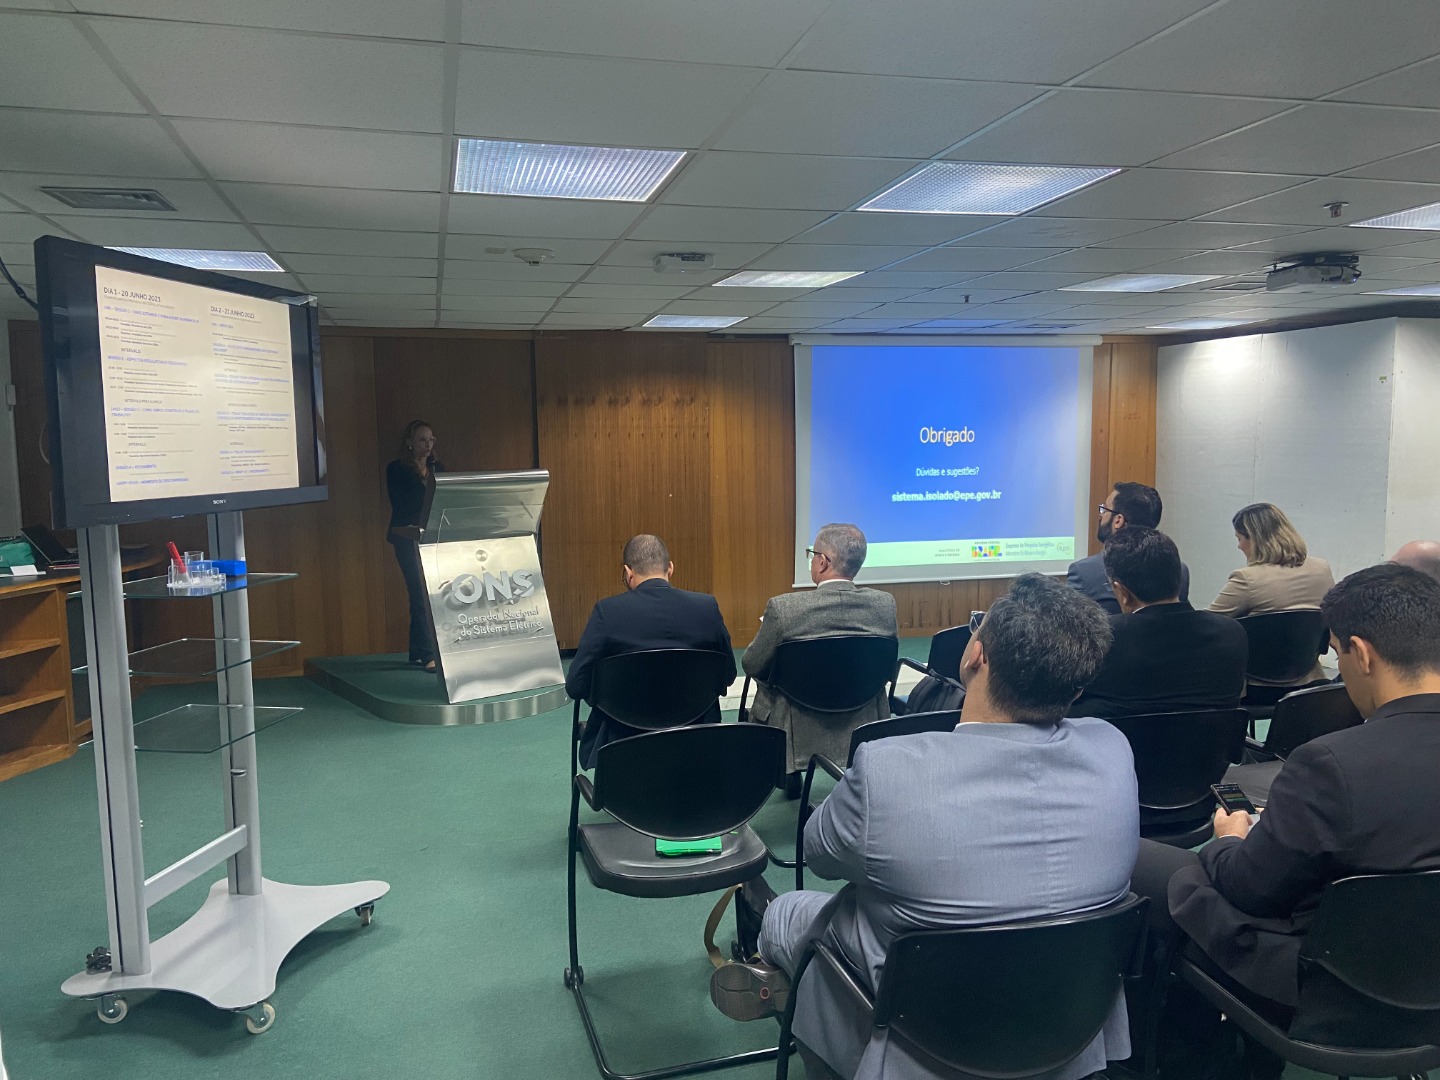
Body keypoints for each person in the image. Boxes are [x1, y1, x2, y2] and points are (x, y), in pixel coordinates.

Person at [712, 574, 1139, 1080]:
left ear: (976, 654)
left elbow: (819, 855)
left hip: (926, 1034)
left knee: (786, 911)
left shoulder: (888, 770)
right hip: (1065, 1023)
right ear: (1078, 684)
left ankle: (801, 1001)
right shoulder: (1112, 751)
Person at [1133, 563, 1440, 1069]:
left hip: (1332, 991)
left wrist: (1230, 839)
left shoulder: (1330, 764)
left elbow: (1250, 891)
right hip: (1425, 975)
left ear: (1361, 653)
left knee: (1154, 866)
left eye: (1336, 652)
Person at [741, 523, 898, 795]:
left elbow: (752, 664)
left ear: (823, 562)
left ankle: (789, 773)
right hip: (862, 706)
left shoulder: (783, 609)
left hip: (798, 718)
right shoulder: (884, 605)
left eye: (812, 555)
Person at [566, 534, 735, 770]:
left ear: (628, 572)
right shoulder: (706, 608)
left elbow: (576, 685)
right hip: (695, 745)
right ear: (670, 568)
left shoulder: (608, 612)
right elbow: (726, 676)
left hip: (625, 750)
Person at [1070, 528, 1247, 718]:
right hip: (1211, 738)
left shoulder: (1101, 640)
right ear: (1178, 578)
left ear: (1122, 592)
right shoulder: (1231, 634)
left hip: (1124, 738)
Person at [1208, 503, 1334, 688]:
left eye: (1240, 538)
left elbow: (1207, 625)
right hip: (1309, 680)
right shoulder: (1322, 569)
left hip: (1254, 685)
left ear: (1255, 539)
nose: (1239, 546)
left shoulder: (1247, 579)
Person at [1069, 482, 1190, 615]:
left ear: (1118, 520)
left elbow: (1074, 624)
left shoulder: (1084, 572)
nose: (1101, 515)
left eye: (1105, 509)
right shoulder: (1180, 570)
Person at [386, 420, 443, 672]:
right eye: (422, 440)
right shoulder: (397, 469)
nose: (428, 445)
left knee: (429, 592)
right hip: (407, 537)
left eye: (431, 440)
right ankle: (428, 653)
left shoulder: (438, 468)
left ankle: (417, 651)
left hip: (432, 537)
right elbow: (401, 503)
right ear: (409, 443)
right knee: (419, 592)